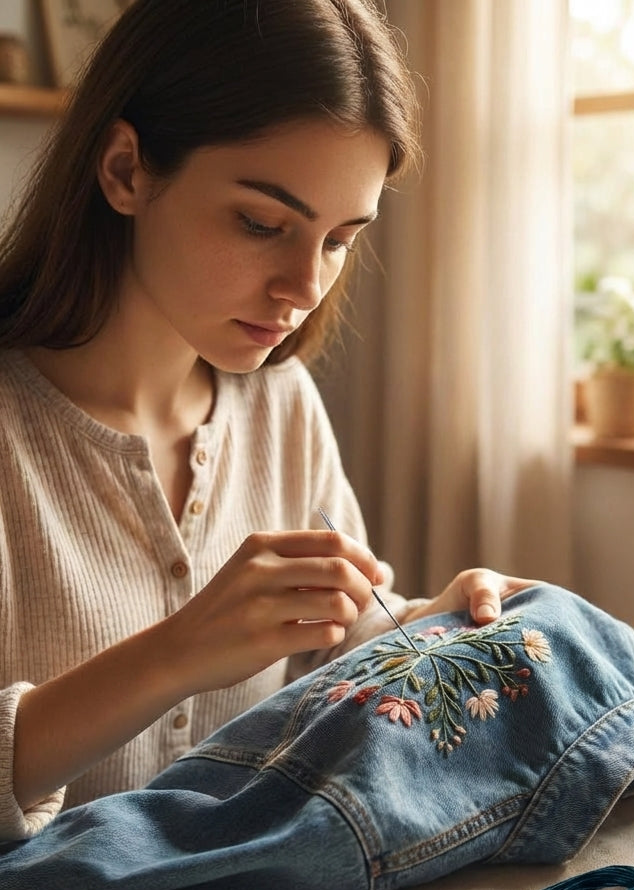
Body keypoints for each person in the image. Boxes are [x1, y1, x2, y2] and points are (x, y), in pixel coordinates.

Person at [0, 0, 536, 845]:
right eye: (261, 224)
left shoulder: (279, 403)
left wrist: (427, 620)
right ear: (125, 170)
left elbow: (330, 642)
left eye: (338, 240)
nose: (305, 286)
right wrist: (178, 652)